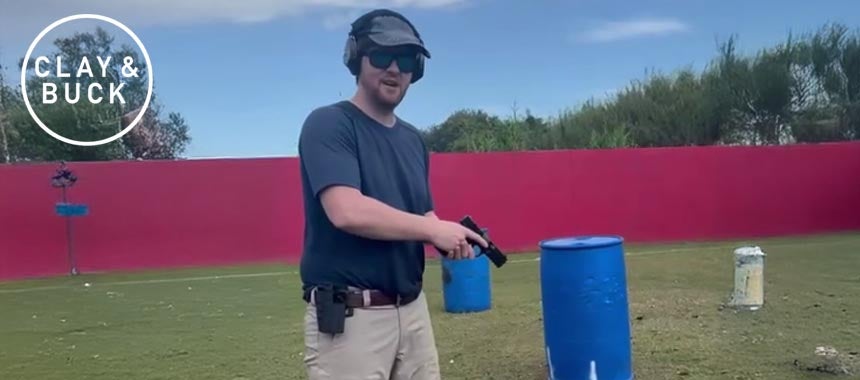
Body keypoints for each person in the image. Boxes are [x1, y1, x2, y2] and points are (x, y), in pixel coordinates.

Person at [296, 8, 489, 380]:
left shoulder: (413, 140)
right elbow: (346, 210)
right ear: (356, 58)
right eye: (382, 56)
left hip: (412, 313)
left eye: (405, 59)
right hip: (351, 320)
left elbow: (422, 215)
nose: (394, 68)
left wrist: (449, 235)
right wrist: (431, 230)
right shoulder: (328, 124)